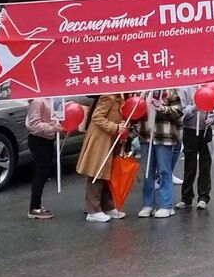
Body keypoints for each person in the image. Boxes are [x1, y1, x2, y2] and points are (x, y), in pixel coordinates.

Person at [76, 92, 129, 223]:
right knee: (97, 173)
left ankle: (108, 206)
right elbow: (97, 117)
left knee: (107, 174)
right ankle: (93, 210)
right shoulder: (108, 96)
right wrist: (115, 127)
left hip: (110, 140)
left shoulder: (119, 96)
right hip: (100, 140)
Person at [136, 89, 183, 218]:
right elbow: (135, 111)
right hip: (146, 136)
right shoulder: (142, 91)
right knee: (147, 171)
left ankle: (166, 205)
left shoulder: (169, 91)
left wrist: (163, 108)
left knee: (164, 171)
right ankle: (148, 204)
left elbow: (179, 110)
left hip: (164, 136)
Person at [178, 86, 214, 209]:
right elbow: (181, 113)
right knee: (189, 164)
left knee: (205, 164)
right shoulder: (184, 89)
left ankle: (203, 197)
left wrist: (213, 118)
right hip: (190, 130)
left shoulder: (210, 88)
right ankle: (186, 197)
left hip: (205, 130)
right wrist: (194, 108)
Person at [24, 97, 64, 220]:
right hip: (38, 140)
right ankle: (34, 207)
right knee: (41, 172)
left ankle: (37, 206)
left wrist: (60, 127)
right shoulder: (38, 101)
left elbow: (58, 119)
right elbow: (33, 125)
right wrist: (53, 128)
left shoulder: (56, 99)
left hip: (49, 139)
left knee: (45, 171)